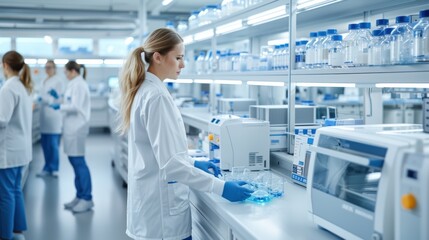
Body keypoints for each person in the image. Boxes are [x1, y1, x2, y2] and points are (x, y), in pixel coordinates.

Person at [118, 28, 253, 240]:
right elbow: (171, 165)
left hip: (150, 208)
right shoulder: (156, 97)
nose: (183, 64)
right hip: (162, 220)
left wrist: (191, 162)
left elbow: (160, 151)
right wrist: (222, 187)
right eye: (178, 58)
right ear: (158, 57)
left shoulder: (147, 89)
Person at [49, 61, 93, 213]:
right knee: (75, 163)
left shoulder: (79, 85)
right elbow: (69, 101)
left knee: (79, 162)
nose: (65, 75)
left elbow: (75, 106)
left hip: (77, 128)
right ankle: (79, 196)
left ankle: (87, 198)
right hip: (71, 128)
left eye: (66, 72)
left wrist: (59, 106)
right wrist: (59, 99)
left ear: (73, 71)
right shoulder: (74, 83)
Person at [0, 50, 33, 240]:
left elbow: (2, 120)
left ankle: (5, 235)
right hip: (21, 151)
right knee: (14, 190)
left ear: (5, 65)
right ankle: (17, 230)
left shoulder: (8, 89)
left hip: (9, 152)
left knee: (5, 195)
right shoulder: (22, 86)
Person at [36, 60, 63, 178]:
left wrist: (46, 100)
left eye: (50, 67)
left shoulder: (58, 81)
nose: (48, 69)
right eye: (46, 67)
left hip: (53, 116)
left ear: (55, 68)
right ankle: (47, 167)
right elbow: (40, 94)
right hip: (44, 116)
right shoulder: (43, 80)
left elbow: (58, 99)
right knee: (45, 144)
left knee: (53, 144)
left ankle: (54, 168)